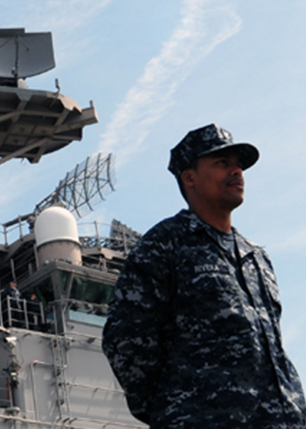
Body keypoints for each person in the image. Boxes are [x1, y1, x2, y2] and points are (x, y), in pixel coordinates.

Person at [102, 124, 306, 428]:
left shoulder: (257, 257)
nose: (236, 171)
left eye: (239, 165)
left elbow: (272, 348)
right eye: (222, 163)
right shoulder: (164, 244)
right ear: (190, 178)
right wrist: (175, 409)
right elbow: (125, 338)